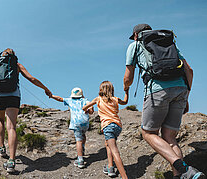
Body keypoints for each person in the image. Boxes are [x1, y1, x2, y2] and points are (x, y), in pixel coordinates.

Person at [124, 24, 205, 179]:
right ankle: (180, 176)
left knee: (148, 133)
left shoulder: (135, 45)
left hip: (157, 91)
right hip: (181, 89)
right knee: (170, 136)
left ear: (136, 34)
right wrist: (185, 96)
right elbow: (189, 70)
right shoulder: (168, 43)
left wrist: (125, 88)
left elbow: (128, 77)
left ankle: (184, 168)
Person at [0, 48, 52, 173]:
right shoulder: (16, 65)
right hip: (13, 96)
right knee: (12, 127)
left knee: (0, 120)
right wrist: (45, 88)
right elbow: (32, 78)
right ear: (13, 56)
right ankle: (12, 161)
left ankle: (2, 147)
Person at [83, 81, 129, 179]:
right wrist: (126, 92)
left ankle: (124, 177)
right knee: (107, 144)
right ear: (112, 89)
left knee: (114, 151)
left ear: (101, 90)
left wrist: (89, 108)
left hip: (107, 126)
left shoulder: (98, 99)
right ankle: (110, 167)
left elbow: (84, 107)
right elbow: (125, 102)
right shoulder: (115, 99)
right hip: (117, 126)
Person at [50, 87, 93, 168]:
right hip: (85, 123)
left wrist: (52, 96)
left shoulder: (70, 100)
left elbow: (60, 99)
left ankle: (80, 160)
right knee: (83, 135)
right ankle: (82, 148)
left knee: (78, 141)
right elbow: (91, 110)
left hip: (76, 123)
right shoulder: (85, 100)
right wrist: (89, 111)